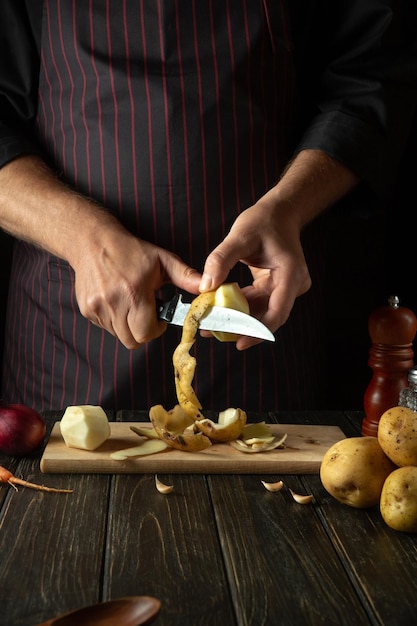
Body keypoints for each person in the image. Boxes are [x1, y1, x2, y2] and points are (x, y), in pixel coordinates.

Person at [0, 1, 414, 412]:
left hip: (261, 330)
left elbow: (367, 83)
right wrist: (82, 237)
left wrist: (288, 207)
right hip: (71, 345)